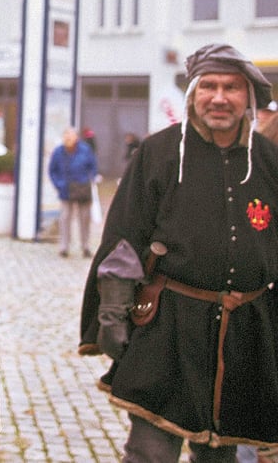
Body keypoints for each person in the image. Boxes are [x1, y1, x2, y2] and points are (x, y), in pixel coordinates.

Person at [78, 43, 278, 462]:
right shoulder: (160, 153)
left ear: (248, 98)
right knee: (151, 451)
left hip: (243, 334)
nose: (219, 97)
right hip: (168, 328)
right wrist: (112, 315)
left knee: (221, 454)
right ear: (192, 93)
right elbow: (123, 239)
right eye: (208, 86)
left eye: (231, 87)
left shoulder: (268, 159)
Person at [48, 126, 99, 258]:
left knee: (84, 218)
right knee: (65, 218)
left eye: (71, 136)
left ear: (76, 138)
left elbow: (93, 166)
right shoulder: (58, 151)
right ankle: (64, 246)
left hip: (82, 189)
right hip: (66, 189)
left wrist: (91, 179)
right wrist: (59, 184)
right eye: (66, 136)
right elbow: (52, 170)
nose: (68, 139)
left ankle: (85, 246)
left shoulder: (85, 149)